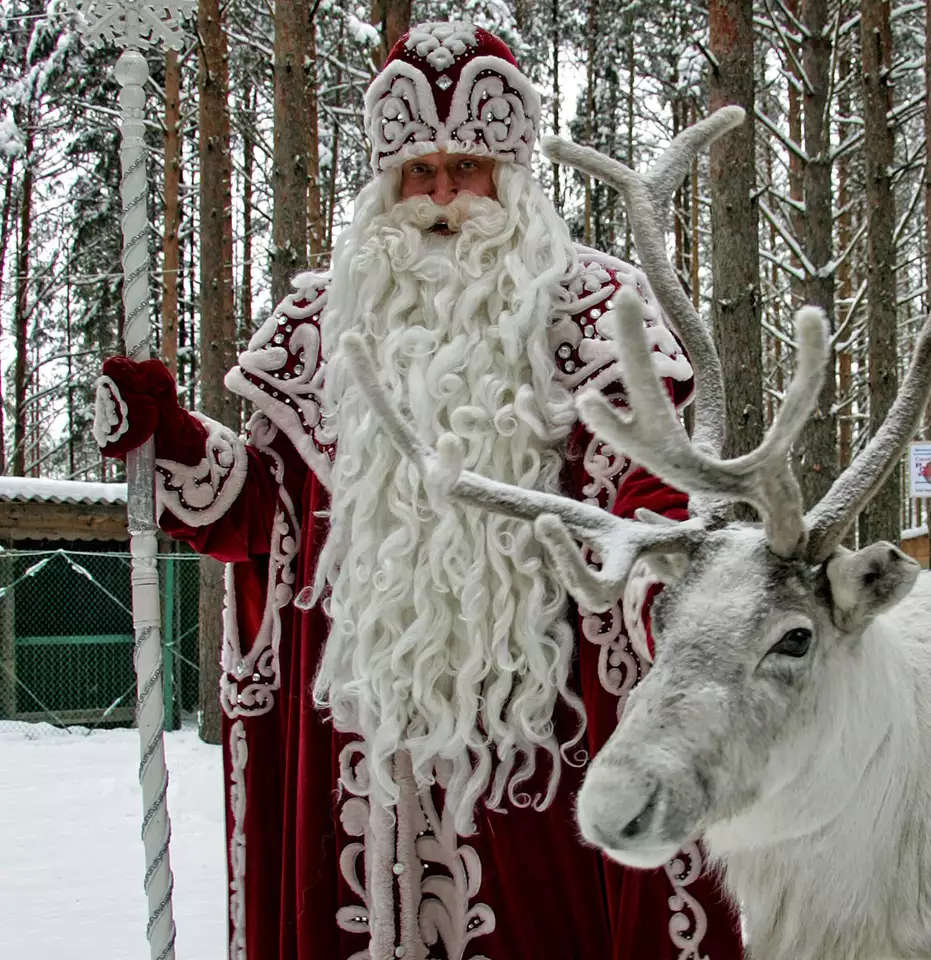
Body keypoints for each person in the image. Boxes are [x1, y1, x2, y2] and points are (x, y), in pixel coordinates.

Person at [92, 22, 744, 960]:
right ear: (386, 181)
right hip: (359, 759)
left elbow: (651, 485)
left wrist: (673, 571)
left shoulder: (599, 316)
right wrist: (171, 441)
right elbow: (265, 522)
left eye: (467, 168)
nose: (442, 199)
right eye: (420, 172)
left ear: (511, 175)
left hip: (540, 749)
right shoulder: (318, 330)